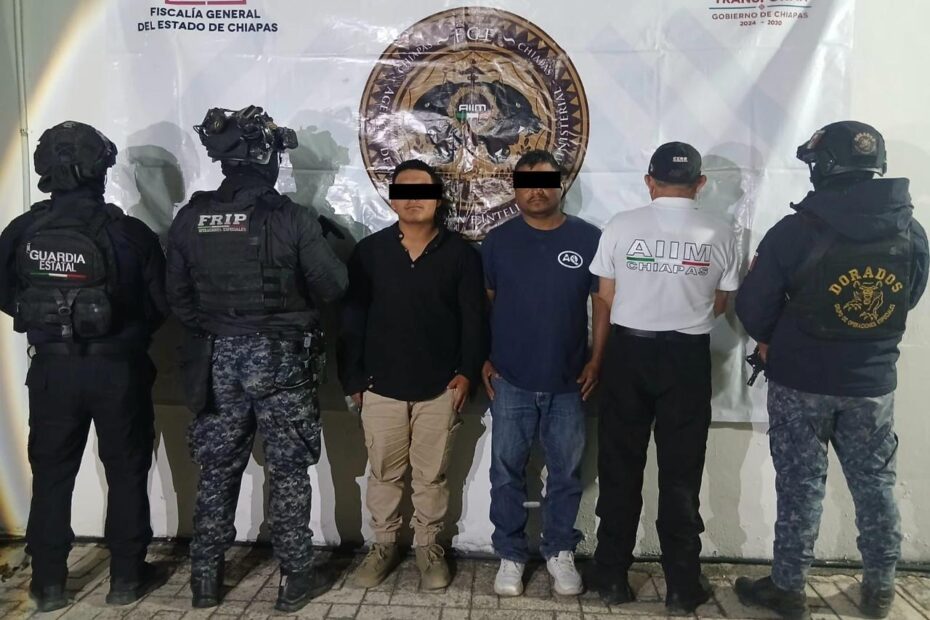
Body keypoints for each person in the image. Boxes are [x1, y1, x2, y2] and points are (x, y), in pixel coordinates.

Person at [733, 121, 928, 620]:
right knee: (876, 485)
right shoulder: (910, 229)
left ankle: (789, 588)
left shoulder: (795, 230)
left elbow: (753, 307)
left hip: (801, 381)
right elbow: (905, 298)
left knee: (800, 487)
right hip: (872, 384)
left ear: (823, 167)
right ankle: (881, 590)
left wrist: (776, 338)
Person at [166, 106, 348, 612]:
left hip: (215, 361)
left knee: (216, 470)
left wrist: (221, 329)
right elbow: (334, 287)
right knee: (288, 470)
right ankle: (294, 580)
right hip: (281, 361)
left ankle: (205, 581)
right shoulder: (292, 218)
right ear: (267, 157)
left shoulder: (191, 218)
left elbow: (177, 298)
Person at [0, 121, 169, 611]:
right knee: (126, 470)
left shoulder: (23, 230)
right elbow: (161, 306)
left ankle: (48, 585)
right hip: (118, 370)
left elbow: (7, 295)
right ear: (100, 169)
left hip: (51, 372)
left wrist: (51, 326)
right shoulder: (129, 233)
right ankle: (126, 579)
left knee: (51, 475)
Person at [589, 142, 739, 614]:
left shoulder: (621, 225)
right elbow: (721, 303)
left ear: (649, 181)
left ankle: (612, 577)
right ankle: (681, 585)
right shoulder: (721, 231)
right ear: (700, 183)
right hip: (687, 357)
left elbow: (605, 297)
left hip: (627, 353)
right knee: (681, 474)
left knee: (619, 468)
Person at [338, 159, 486, 590]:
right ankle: (383, 545)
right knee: (383, 473)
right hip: (379, 387)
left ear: (438, 198)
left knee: (431, 477)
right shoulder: (369, 253)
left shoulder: (461, 255)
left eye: (423, 190)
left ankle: (428, 547)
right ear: (392, 199)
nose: (414, 199)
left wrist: (466, 374)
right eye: (405, 190)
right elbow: (351, 321)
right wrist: (353, 380)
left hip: (440, 388)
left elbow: (474, 322)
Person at [480, 149, 605, 596]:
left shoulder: (589, 238)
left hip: (569, 381)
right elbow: (486, 305)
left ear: (561, 185)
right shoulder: (498, 241)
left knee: (566, 474)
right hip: (510, 378)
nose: (537, 191)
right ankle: (510, 554)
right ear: (514, 189)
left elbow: (602, 304)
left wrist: (597, 360)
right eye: (527, 183)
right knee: (505, 472)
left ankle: (559, 550)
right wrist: (484, 357)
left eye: (546, 181)